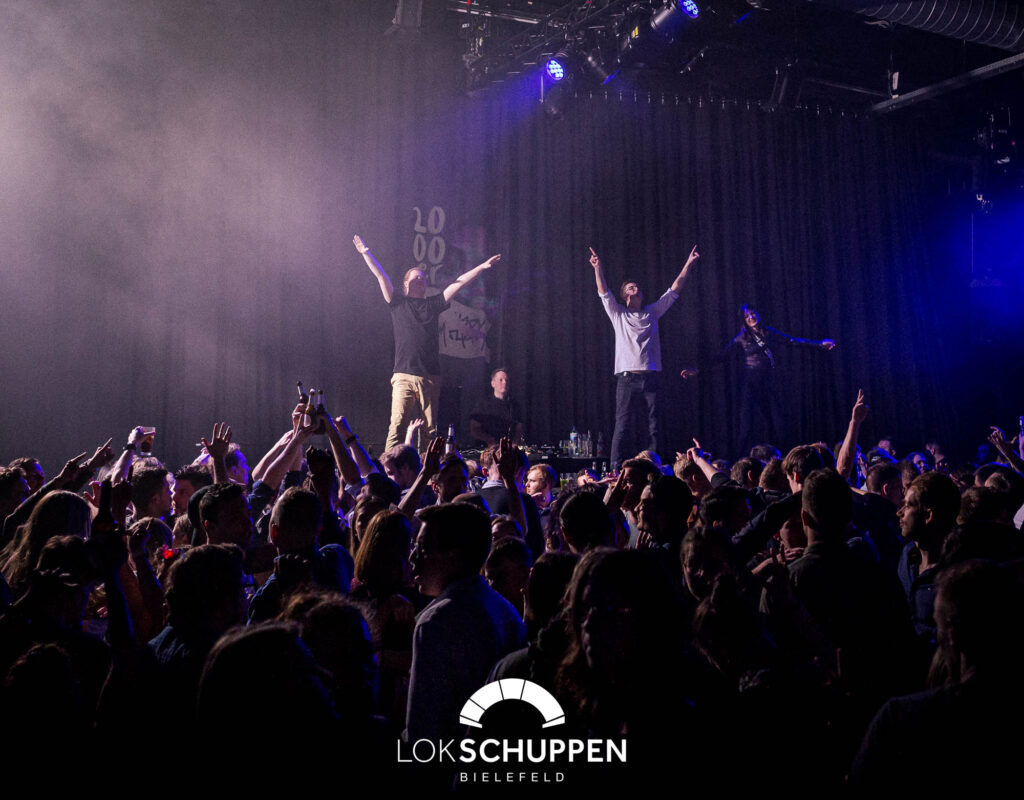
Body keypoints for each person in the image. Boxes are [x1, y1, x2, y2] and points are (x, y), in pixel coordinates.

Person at [353, 234, 501, 451]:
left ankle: (427, 468)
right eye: (415, 278)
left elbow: (458, 283)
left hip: (430, 377)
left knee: (430, 430)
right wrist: (366, 253)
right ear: (405, 284)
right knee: (397, 425)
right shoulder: (398, 302)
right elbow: (380, 275)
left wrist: (481, 267)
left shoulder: (434, 303)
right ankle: (389, 467)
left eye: (423, 279)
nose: (420, 281)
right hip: (403, 375)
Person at [589, 243, 700, 469]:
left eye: (637, 287)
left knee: (654, 426)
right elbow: (603, 292)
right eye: (631, 287)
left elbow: (675, 289)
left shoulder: (652, 312)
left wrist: (688, 264)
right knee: (622, 425)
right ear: (625, 295)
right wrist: (597, 268)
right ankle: (615, 469)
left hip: (651, 378)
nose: (636, 288)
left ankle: (654, 467)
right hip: (627, 379)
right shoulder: (619, 314)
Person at [681, 304, 835, 452]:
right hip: (750, 382)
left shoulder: (768, 332)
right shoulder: (741, 338)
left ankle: (784, 455)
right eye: (747, 316)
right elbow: (721, 357)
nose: (751, 317)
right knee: (746, 423)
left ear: (758, 314)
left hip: (767, 382)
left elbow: (791, 341)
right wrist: (698, 370)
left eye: (752, 313)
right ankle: (740, 459)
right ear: (743, 320)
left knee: (777, 420)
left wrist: (819, 344)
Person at [469, 367, 524, 446]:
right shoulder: (483, 404)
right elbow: (474, 428)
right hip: (486, 448)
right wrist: (488, 439)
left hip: (508, 449)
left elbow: (518, 429)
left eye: (507, 380)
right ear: (493, 383)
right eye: (500, 380)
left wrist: (514, 444)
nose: (504, 382)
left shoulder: (514, 405)